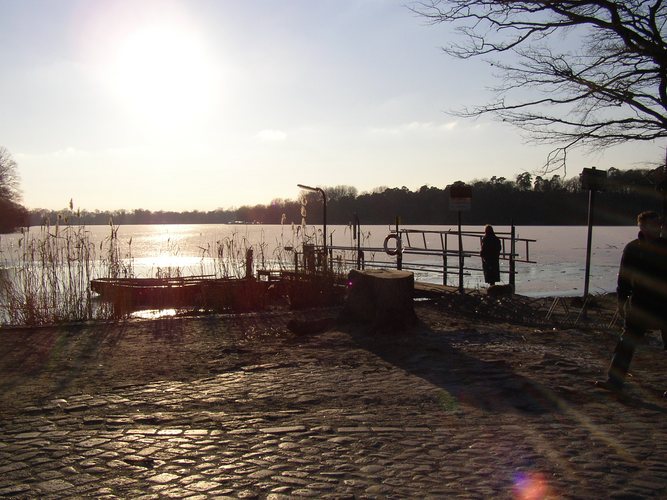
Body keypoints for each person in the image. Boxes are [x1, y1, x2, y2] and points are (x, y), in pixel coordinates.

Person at [596, 210, 667, 393]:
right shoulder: (633, 248)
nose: (658, 227)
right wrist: (621, 301)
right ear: (642, 227)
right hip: (641, 303)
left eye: (659, 223)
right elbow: (624, 277)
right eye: (654, 224)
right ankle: (614, 381)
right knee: (626, 343)